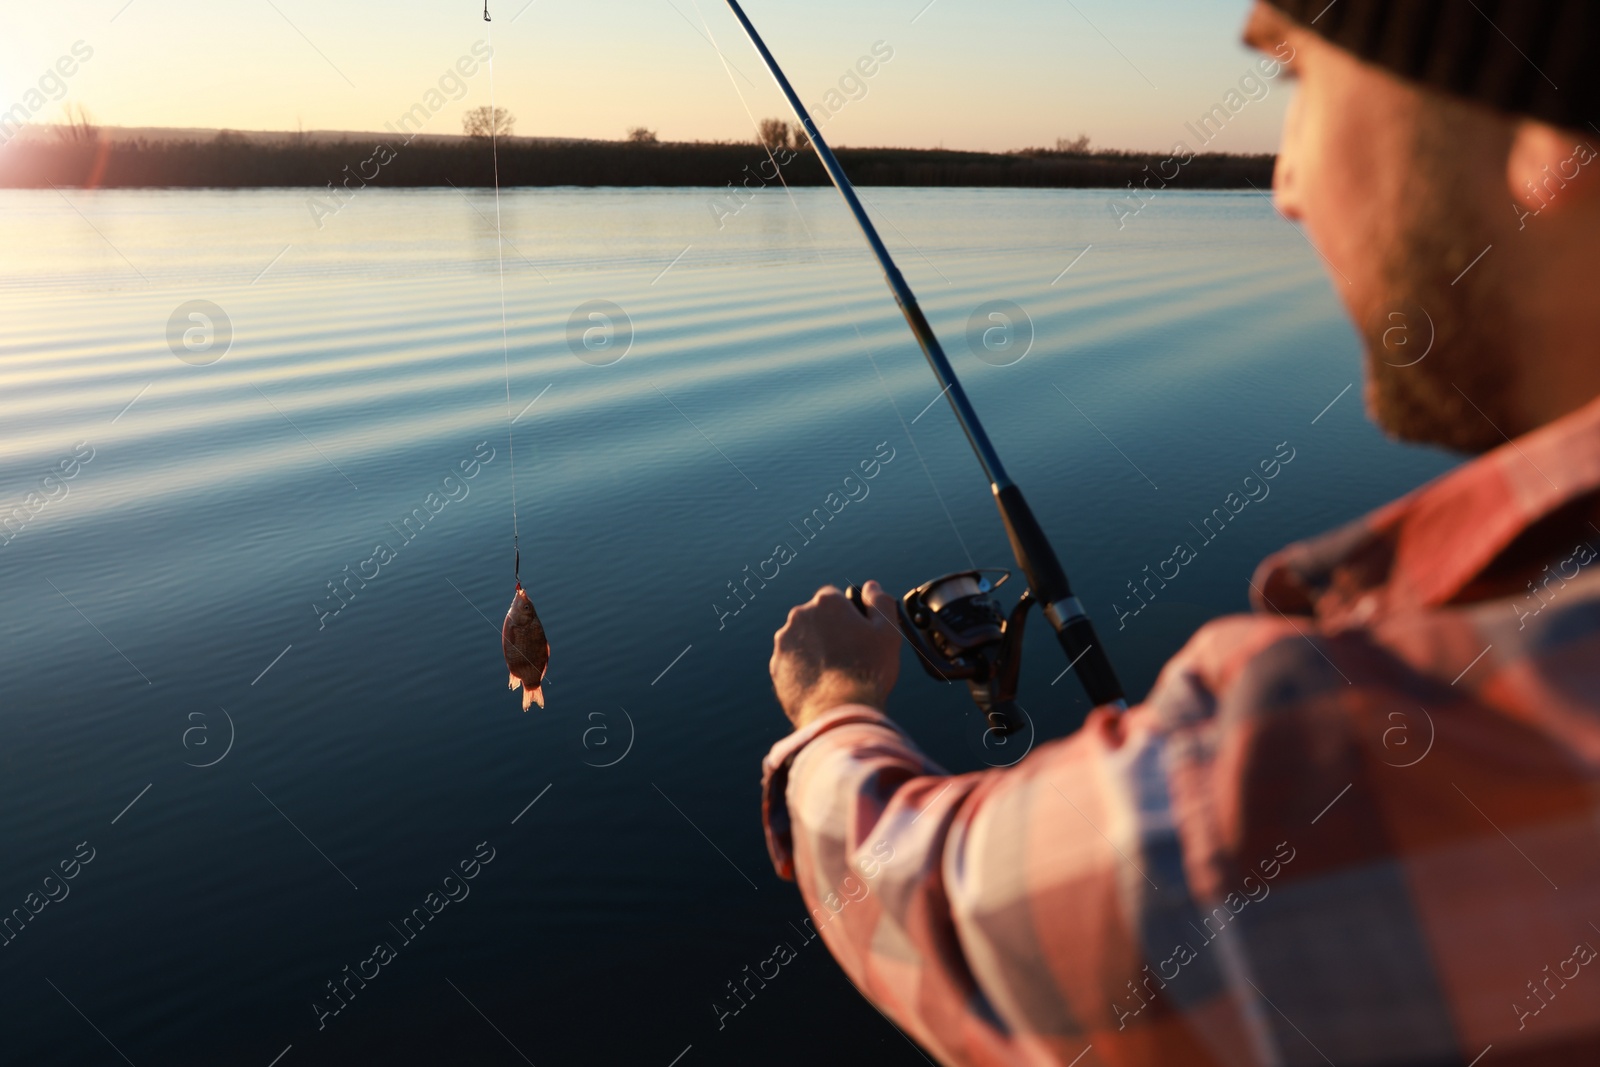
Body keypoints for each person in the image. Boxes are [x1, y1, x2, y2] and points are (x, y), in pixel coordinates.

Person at [760, 1, 1600, 1063]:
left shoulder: (1317, 765)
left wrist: (831, 708)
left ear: (1549, 134)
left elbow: (953, 917)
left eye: (1297, 79)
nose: (1282, 185)